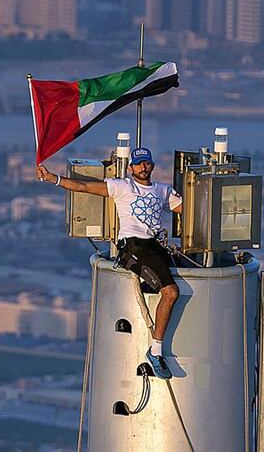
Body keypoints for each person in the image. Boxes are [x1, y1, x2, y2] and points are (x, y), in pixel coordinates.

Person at [36, 147, 182, 379]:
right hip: (134, 247)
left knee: (184, 276)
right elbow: (84, 187)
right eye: (139, 164)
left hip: (155, 246)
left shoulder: (163, 191)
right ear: (131, 168)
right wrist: (53, 178)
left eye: (147, 163)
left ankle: (154, 297)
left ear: (152, 165)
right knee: (171, 292)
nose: (143, 167)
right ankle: (156, 351)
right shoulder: (123, 187)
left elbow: (192, 210)